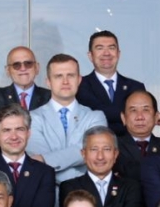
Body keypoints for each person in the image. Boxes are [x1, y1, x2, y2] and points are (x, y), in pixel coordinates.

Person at [58, 126, 148, 207]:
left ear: (116, 154)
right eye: (94, 149)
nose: (100, 157)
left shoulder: (132, 187)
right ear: (83, 154)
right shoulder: (69, 187)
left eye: (106, 149)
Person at [28, 54, 109, 183]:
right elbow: (40, 164)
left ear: (79, 80)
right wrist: (80, 179)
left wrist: (46, 159)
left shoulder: (95, 117)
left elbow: (92, 152)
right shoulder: (31, 118)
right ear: (48, 82)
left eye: (70, 75)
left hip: (87, 197)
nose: (65, 81)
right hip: (49, 194)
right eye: (58, 76)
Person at [76, 30, 146, 136]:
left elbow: (143, 123)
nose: (106, 53)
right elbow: (97, 112)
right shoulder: (80, 86)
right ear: (90, 55)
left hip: (131, 150)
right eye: (100, 48)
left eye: (111, 48)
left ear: (118, 54)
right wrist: (132, 115)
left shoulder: (136, 87)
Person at [115, 89, 160, 181]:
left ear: (156, 117)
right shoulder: (113, 146)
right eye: (133, 110)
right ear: (123, 118)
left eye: (146, 110)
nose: (140, 117)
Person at [0, 46, 51, 116]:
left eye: (28, 63)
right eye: (16, 65)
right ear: (8, 71)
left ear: (37, 68)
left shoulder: (50, 97)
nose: (23, 68)